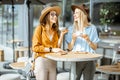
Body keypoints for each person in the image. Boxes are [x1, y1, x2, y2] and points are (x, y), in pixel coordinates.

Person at [32, 4, 68, 80]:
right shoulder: (39, 29)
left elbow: (57, 48)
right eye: (52, 14)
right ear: (46, 17)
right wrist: (51, 49)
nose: (55, 16)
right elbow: (35, 47)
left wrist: (61, 35)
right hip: (41, 60)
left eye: (55, 15)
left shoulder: (55, 31)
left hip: (52, 61)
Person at [65, 4, 100, 80]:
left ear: (82, 14)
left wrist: (88, 39)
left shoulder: (92, 28)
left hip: (89, 60)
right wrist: (73, 39)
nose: (74, 14)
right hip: (76, 59)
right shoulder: (71, 29)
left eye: (76, 12)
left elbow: (95, 47)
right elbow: (69, 48)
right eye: (74, 13)